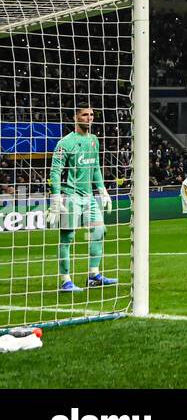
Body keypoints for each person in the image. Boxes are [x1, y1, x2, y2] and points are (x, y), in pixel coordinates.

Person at [48, 106, 118, 291]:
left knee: (99, 231)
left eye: (92, 115)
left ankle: (94, 275)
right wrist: (55, 199)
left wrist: (103, 191)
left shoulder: (94, 141)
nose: (89, 118)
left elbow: (95, 168)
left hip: (89, 197)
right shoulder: (65, 143)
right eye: (85, 114)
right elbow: (55, 172)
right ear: (75, 117)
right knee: (67, 237)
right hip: (71, 196)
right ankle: (65, 280)